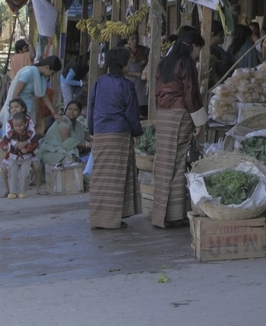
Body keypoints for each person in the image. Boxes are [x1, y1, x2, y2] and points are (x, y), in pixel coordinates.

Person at [152, 29, 205, 228]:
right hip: (180, 113)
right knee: (178, 161)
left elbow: (157, 93)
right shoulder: (185, 63)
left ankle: (160, 214)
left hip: (163, 114)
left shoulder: (164, 63)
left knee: (164, 162)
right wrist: (199, 121)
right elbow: (191, 93)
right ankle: (174, 215)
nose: (198, 54)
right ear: (192, 46)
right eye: (199, 49)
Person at [88, 47, 143, 230]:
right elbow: (131, 112)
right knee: (116, 178)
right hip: (119, 133)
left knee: (100, 177)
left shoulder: (100, 82)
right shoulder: (126, 85)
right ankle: (112, 220)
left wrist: (92, 129)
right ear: (123, 64)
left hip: (101, 133)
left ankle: (98, 218)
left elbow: (92, 107)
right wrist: (136, 133)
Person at [0, 56, 64, 136]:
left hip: (28, 108)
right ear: (47, 67)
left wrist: (54, 113)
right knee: (16, 133)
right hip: (20, 109)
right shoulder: (28, 73)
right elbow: (15, 95)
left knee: (26, 134)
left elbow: (43, 94)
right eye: (52, 73)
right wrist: (20, 113)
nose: (51, 75)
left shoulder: (41, 76)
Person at [36, 100, 89, 196]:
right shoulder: (64, 121)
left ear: (80, 112)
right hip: (50, 153)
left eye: (75, 110)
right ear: (65, 110)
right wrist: (87, 144)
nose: (72, 112)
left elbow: (80, 140)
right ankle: (74, 183)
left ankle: (77, 183)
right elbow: (67, 143)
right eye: (69, 109)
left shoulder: (79, 125)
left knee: (78, 156)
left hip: (63, 152)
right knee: (71, 158)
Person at [0, 98, 33, 198]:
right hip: (13, 152)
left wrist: (26, 144)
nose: (14, 109)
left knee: (35, 167)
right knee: (5, 168)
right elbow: (7, 137)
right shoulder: (9, 122)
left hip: (27, 151)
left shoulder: (28, 121)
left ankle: (33, 188)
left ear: (23, 108)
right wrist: (12, 144)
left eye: (16, 106)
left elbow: (33, 137)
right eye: (11, 107)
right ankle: (8, 190)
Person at [0, 112, 39, 199]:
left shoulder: (30, 134)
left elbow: (36, 143)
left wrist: (27, 149)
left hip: (26, 157)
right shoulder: (10, 134)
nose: (18, 128)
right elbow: (3, 142)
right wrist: (4, 146)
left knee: (24, 175)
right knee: (12, 175)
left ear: (25, 124)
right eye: (15, 126)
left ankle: (22, 192)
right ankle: (12, 192)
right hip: (13, 157)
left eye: (20, 126)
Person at [124, 35, 150, 118]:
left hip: (142, 84)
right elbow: (123, 71)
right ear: (128, 41)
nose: (135, 41)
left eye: (136, 39)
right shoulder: (125, 52)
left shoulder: (144, 50)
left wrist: (147, 61)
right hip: (130, 81)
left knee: (142, 108)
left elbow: (153, 57)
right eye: (132, 39)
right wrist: (135, 74)